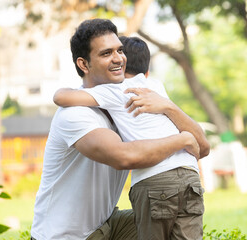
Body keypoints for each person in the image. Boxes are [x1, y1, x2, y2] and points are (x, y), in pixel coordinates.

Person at [31, 18, 209, 240]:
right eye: (106, 53)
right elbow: (124, 156)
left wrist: (169, 107)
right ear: (84, 64)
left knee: (166, 213)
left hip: (106, 223)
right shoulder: (75, 114)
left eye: (120, 50)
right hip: (67, 236)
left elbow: (202, 146)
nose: (118, 59)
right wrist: (182, 140)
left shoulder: (135, 100)